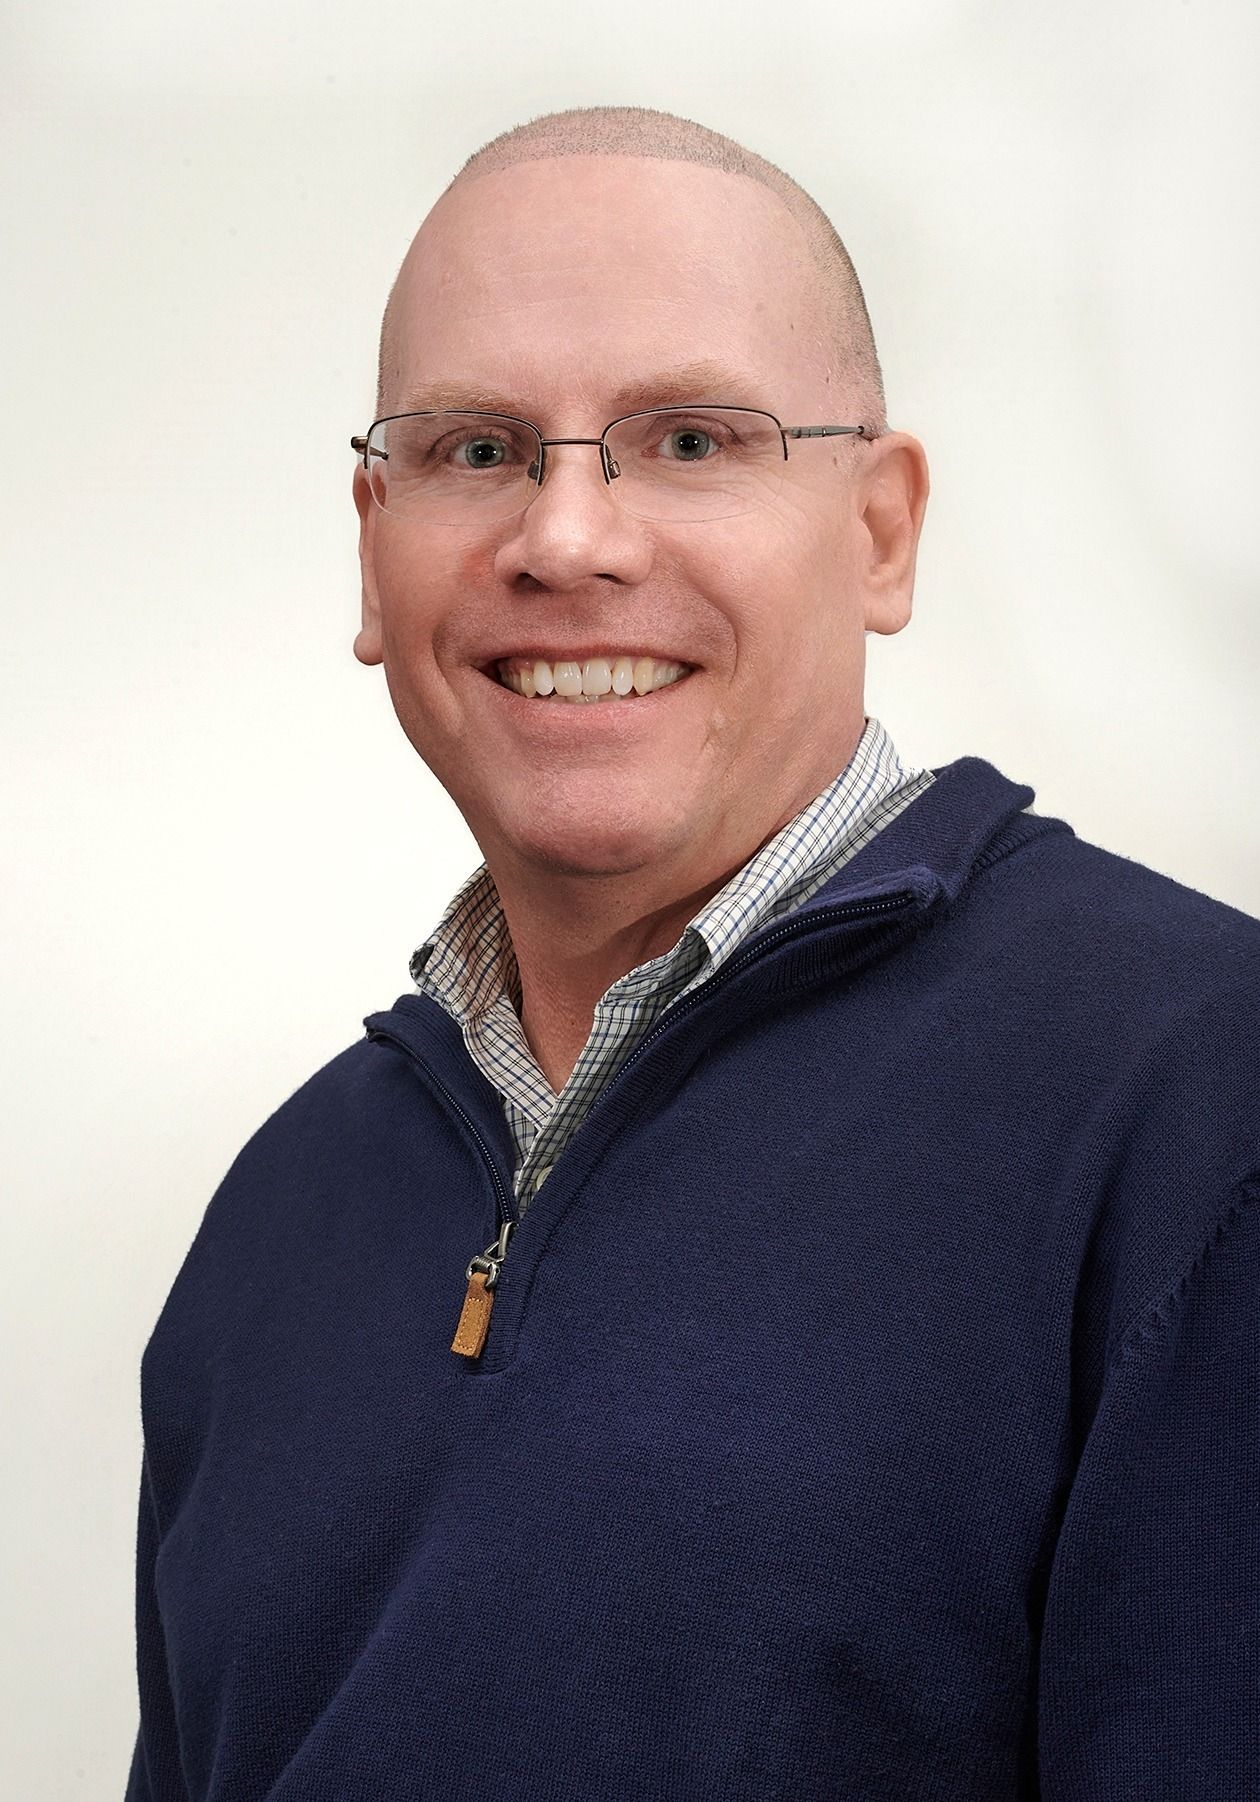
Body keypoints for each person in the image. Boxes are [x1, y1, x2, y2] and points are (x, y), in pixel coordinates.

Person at [125, 106, 1260, 1800]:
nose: (566, 538)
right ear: (374, 542)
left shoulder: (1198, 1099)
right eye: (478, 450)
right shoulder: (276, 1216)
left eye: (690, 439)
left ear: (883, 531)